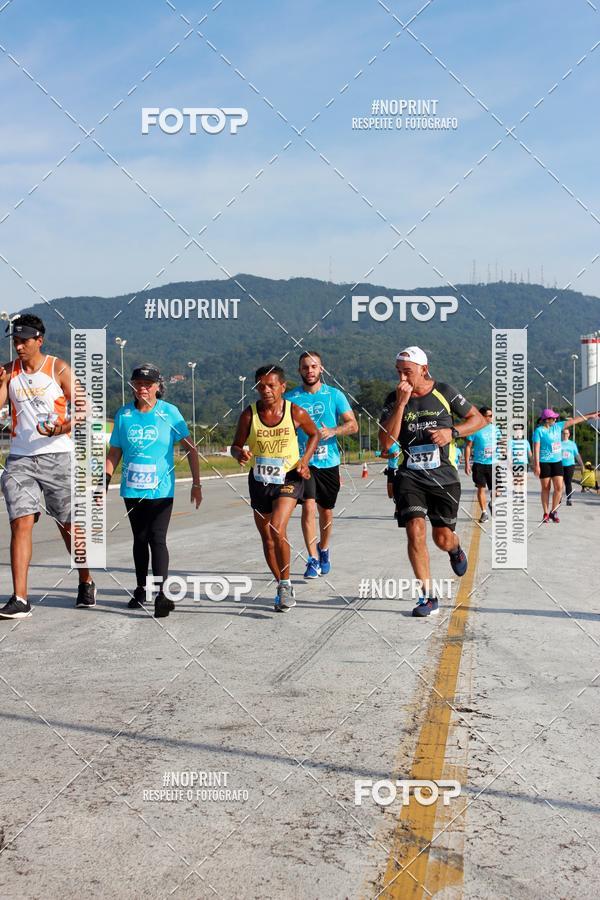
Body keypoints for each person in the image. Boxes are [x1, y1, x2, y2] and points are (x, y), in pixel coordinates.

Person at [0, 314, 97, 619]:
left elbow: (86, 409)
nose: (18, 346)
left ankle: (85, 579)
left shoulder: (58, 368)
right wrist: (1, 384)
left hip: (57, 456)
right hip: (20, 458)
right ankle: (20, 598)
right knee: (20, 522)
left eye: (24, 340)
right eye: (14, 341)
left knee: (68, 525)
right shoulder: (9, 372)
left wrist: (62, 428)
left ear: (39, 340)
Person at [379, 346, 487, 618]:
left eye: (408, 372)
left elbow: (478, 420)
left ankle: (455, 547)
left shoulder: (445, 391)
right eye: (399, 372)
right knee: (415, 530)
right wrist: (402, 405)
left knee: (441, 538)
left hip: (443, 478)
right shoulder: (393, 399)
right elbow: (385, 443)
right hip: (410, 476)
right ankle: (428, 596)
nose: (402, 378)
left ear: (424, 369)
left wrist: (453, 432)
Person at [105, 363, 202, 618]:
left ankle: (161, 594)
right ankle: (140, 588)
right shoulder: (124, 415)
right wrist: (104, 479)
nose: (143, 389)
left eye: (148, 385)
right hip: (132, 487)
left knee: (156, 538)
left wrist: (196, 483)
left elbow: (191, 449)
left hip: (161, 488)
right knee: (139, 538)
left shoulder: (170, 413)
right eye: (138, 384)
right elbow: (115, 450)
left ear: (158, 387)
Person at [231, 365, 319, 612]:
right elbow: (235, 445)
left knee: (276, 527)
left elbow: (314, 434)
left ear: (283, 386)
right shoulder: (249, 415)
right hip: (260, 481)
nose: (266, 390)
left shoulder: (295, 412)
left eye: (271, 385)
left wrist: (304, 461)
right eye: (261, 386)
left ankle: (286, 584)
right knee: (268, 539)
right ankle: (282, 583)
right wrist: (240, 453)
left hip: (289, 478)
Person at [284, 351, 358, 577]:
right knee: (308, 506)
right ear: (299, 371)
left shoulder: (334, 395)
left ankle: (323, 549)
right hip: (303, 462)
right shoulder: (290, 398)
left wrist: (334, 430)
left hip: (329, 462)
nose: (309, 371)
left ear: (321, 369)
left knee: (326, 511)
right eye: (305, 367)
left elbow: (353, 425)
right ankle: (312, 559)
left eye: (313, 367)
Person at [532, 407, 600, 523]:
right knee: (546, 488)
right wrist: (536, 465)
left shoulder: (558, 426)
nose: (555, 419)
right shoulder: (539, 431)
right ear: (547, 419)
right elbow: (536, 449)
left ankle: (553, 512)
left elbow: (575, 420)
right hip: (544, 463)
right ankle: (545, 513)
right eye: (553, 418)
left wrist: (590, 415)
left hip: (557, 462)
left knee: (559, 488)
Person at [464, 407, 501, 523]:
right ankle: (484, 512)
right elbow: (468, 446)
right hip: (479, 464)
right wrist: (467, 464)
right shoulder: (475, 430)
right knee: (481, 488)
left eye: (492, 415)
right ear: (483, 417)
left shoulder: (496, 429)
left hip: (494, 464)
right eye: (490, 416)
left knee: (497, 491)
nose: (492, 418)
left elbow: (500, 444)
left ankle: (492, 503)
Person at [561, 428, 583, 506]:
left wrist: (581, 465)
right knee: (559, 483)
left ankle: (569, 499)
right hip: (560, 465)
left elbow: (577, 455)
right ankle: (558, 498)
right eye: (563, 433)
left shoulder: (572, 444)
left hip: (570, 465)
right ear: (561, 434)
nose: (565, 435)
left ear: (569, 434)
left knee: (568, 483)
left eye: (566, 433)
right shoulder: (558, 443)